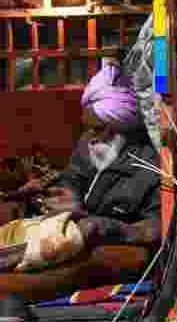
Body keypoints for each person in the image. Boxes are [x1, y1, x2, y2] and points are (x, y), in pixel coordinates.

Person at [33, 58, 163, 248]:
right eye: (88, 128)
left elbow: (156, 227)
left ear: (122, 126)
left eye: (98, 129)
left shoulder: (152, 167)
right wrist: (69, 195)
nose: (90, 137)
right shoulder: (88, 142)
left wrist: (107, 228)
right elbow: (73, 178)